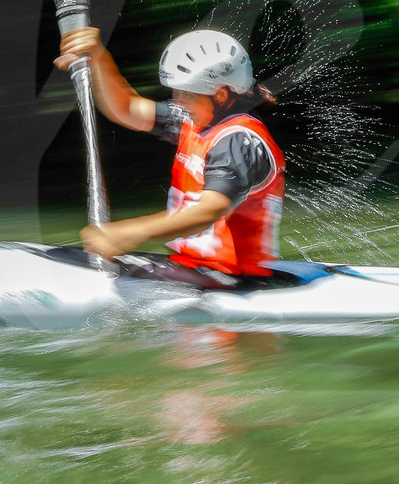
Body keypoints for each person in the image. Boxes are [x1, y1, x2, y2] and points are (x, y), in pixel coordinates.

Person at [54, 26, 285, 290]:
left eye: (187, 94)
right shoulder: (197, 119)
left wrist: (129, 233)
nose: (178, 101)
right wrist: (99, 58)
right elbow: (127, 108)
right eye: (177, 91)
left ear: (220, 95)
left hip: (232, 282)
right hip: (196, 270)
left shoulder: (238, 140)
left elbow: (209, 211)